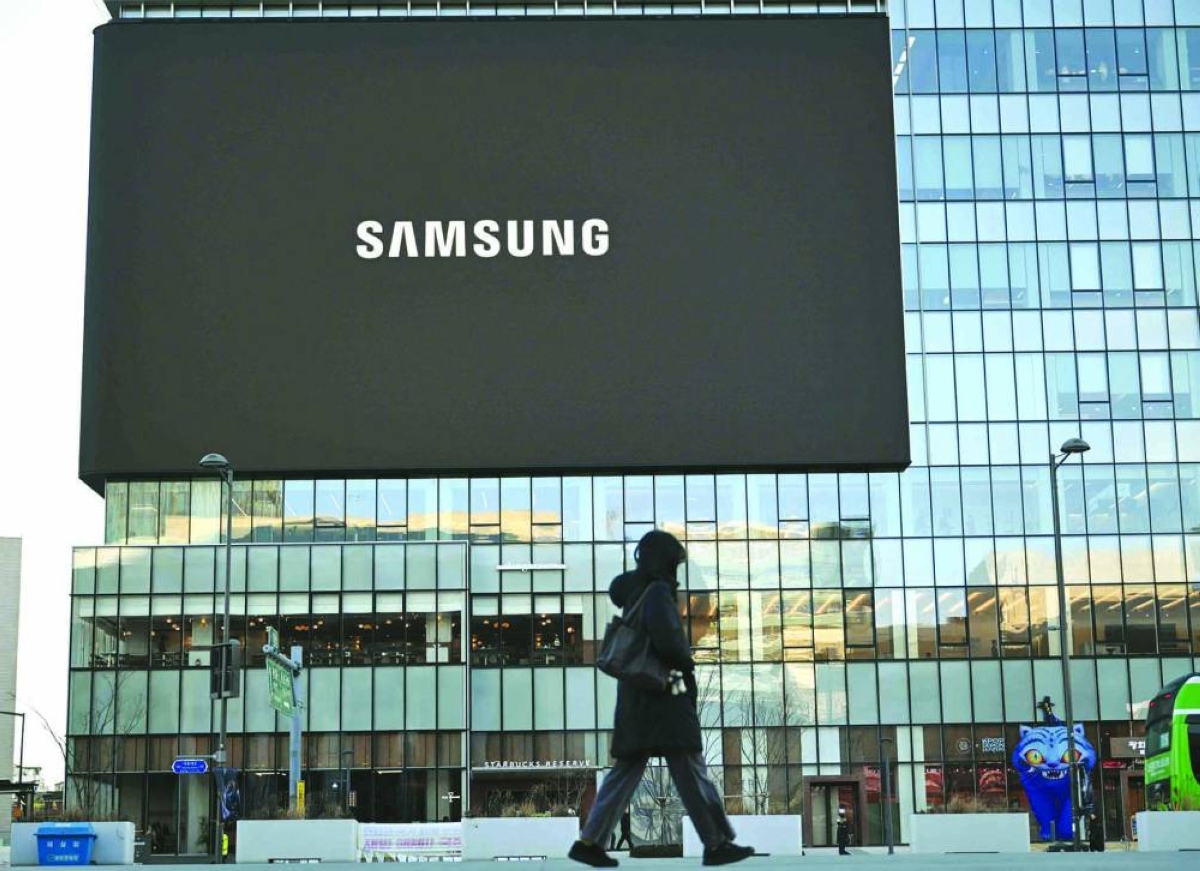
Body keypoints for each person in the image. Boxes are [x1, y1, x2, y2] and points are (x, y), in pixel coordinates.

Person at [569, 531, 755, 868]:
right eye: (675, 564)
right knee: (691, 768)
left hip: (638, 699)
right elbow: (670, 643)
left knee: (626, 771)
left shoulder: (637, 592)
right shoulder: (657, 592)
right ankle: (717, 843)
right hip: (666, 696)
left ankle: (590, 841)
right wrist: (687, 669)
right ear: (665, 563)